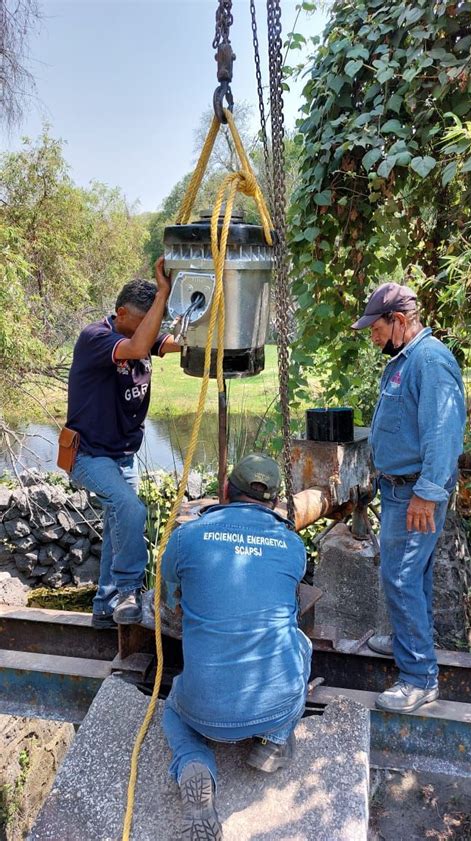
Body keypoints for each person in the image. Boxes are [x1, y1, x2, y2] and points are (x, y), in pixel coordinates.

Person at [160, 454, 312, 841]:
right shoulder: (293, 545)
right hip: (272, 705)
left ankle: (194, 762)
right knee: (302, 644)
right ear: (275, 503)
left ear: (226, 491)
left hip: (201, 710)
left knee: (173, 712)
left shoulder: (188, 536)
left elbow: (167, 602)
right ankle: (274, 742)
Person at [352, 282, 466, 713]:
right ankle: (407, 642)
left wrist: (427, 495)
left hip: (416, 493)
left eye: (376, 328)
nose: (373, 336)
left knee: (401, 576)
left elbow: (443, 435)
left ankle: (419, 678)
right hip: (400, 490)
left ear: (398, 321)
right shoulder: (404, 360)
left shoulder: (431, 362)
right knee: (410, 575)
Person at [66, 256, 179, 628]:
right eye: (143, 320)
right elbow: (137, 348)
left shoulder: (142, 331)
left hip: (123, 455)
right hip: (89, 455)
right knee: (130, 510)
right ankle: (129, 589)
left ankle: (104, 606)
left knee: (120, 523)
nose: (150, 329)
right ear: (121, 314)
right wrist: (162, 292)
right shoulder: (96, 338)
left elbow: (176, 343)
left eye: (153, 321)